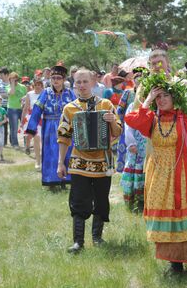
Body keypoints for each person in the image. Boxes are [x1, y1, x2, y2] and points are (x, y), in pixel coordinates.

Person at [125, 81, 187, 274]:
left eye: (166, 95)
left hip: (180, 170)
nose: (162, 100)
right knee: (163, 211)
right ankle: (172, 263)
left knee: (181, 209)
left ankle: (185, 257)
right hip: (157, 172)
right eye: (158, 96)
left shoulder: (184, 118)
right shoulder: (151, 119)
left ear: (175, 98)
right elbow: (131, 120)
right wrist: (146, 102)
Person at [57, 68, 121, 253]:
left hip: (103, 162)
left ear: (93, 82)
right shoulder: (69, 108)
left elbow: (118, 131)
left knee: (101, 200)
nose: (82, 85)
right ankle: (78, 241)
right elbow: (63, 137)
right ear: (74, 83)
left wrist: (111, 121)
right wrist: (60, 162)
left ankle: (97, 238)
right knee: (78, 200)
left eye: (85, 81)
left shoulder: (106, 104)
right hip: (79, 162)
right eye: (78, 82)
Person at [26, 65, 76, 191]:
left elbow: (78, 109)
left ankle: (66, 180)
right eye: (53, 78)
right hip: (49, 127)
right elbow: (37, 110)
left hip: (67, 126)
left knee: (67, 152)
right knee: (51, 153)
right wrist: (31, 129)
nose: (55, 80)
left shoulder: (70, 93)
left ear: (63, 79)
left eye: (58, 78)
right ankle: (52, 181)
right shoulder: (46, 93)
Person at [21, 78, 44, 170]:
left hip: (44, 119)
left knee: (44, 141)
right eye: (36, 84)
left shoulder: (45, 94)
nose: (38, 86)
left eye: (40, 84)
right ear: (33, 85)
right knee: (36, 139)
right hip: (33, 120)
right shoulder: (29, 94)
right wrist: (22, 119)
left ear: (42, 85)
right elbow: (26, 107)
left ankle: (44, 160)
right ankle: (38, 161)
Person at [6, 72, 28, 149]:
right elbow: (11, 92)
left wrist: (24, 98)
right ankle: (15, 144)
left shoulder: (23, 87)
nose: (15, 81)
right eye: (12, 79)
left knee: (25, 126)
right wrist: (12, 84)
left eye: (15, 79)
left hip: (22, 109)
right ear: (10, 80)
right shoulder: (8, 87)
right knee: (14, 127)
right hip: (12, 109)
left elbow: (27, 95)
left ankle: (26, 144)